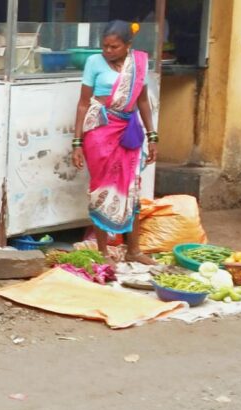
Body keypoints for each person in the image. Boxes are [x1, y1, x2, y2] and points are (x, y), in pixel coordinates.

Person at [71, 21, 158, 264]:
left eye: (114, 47)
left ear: (128, 45)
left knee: (132, 188)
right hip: (100, 132)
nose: (108, 51)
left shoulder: (138, 64)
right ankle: (102, 252)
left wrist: (152, 136)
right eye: (105, 46)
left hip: (129, 133)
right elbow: (83, 103)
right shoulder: (94, 62)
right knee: (102, 190)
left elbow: (142, 101)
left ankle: (134, 250)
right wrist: (77, 142)